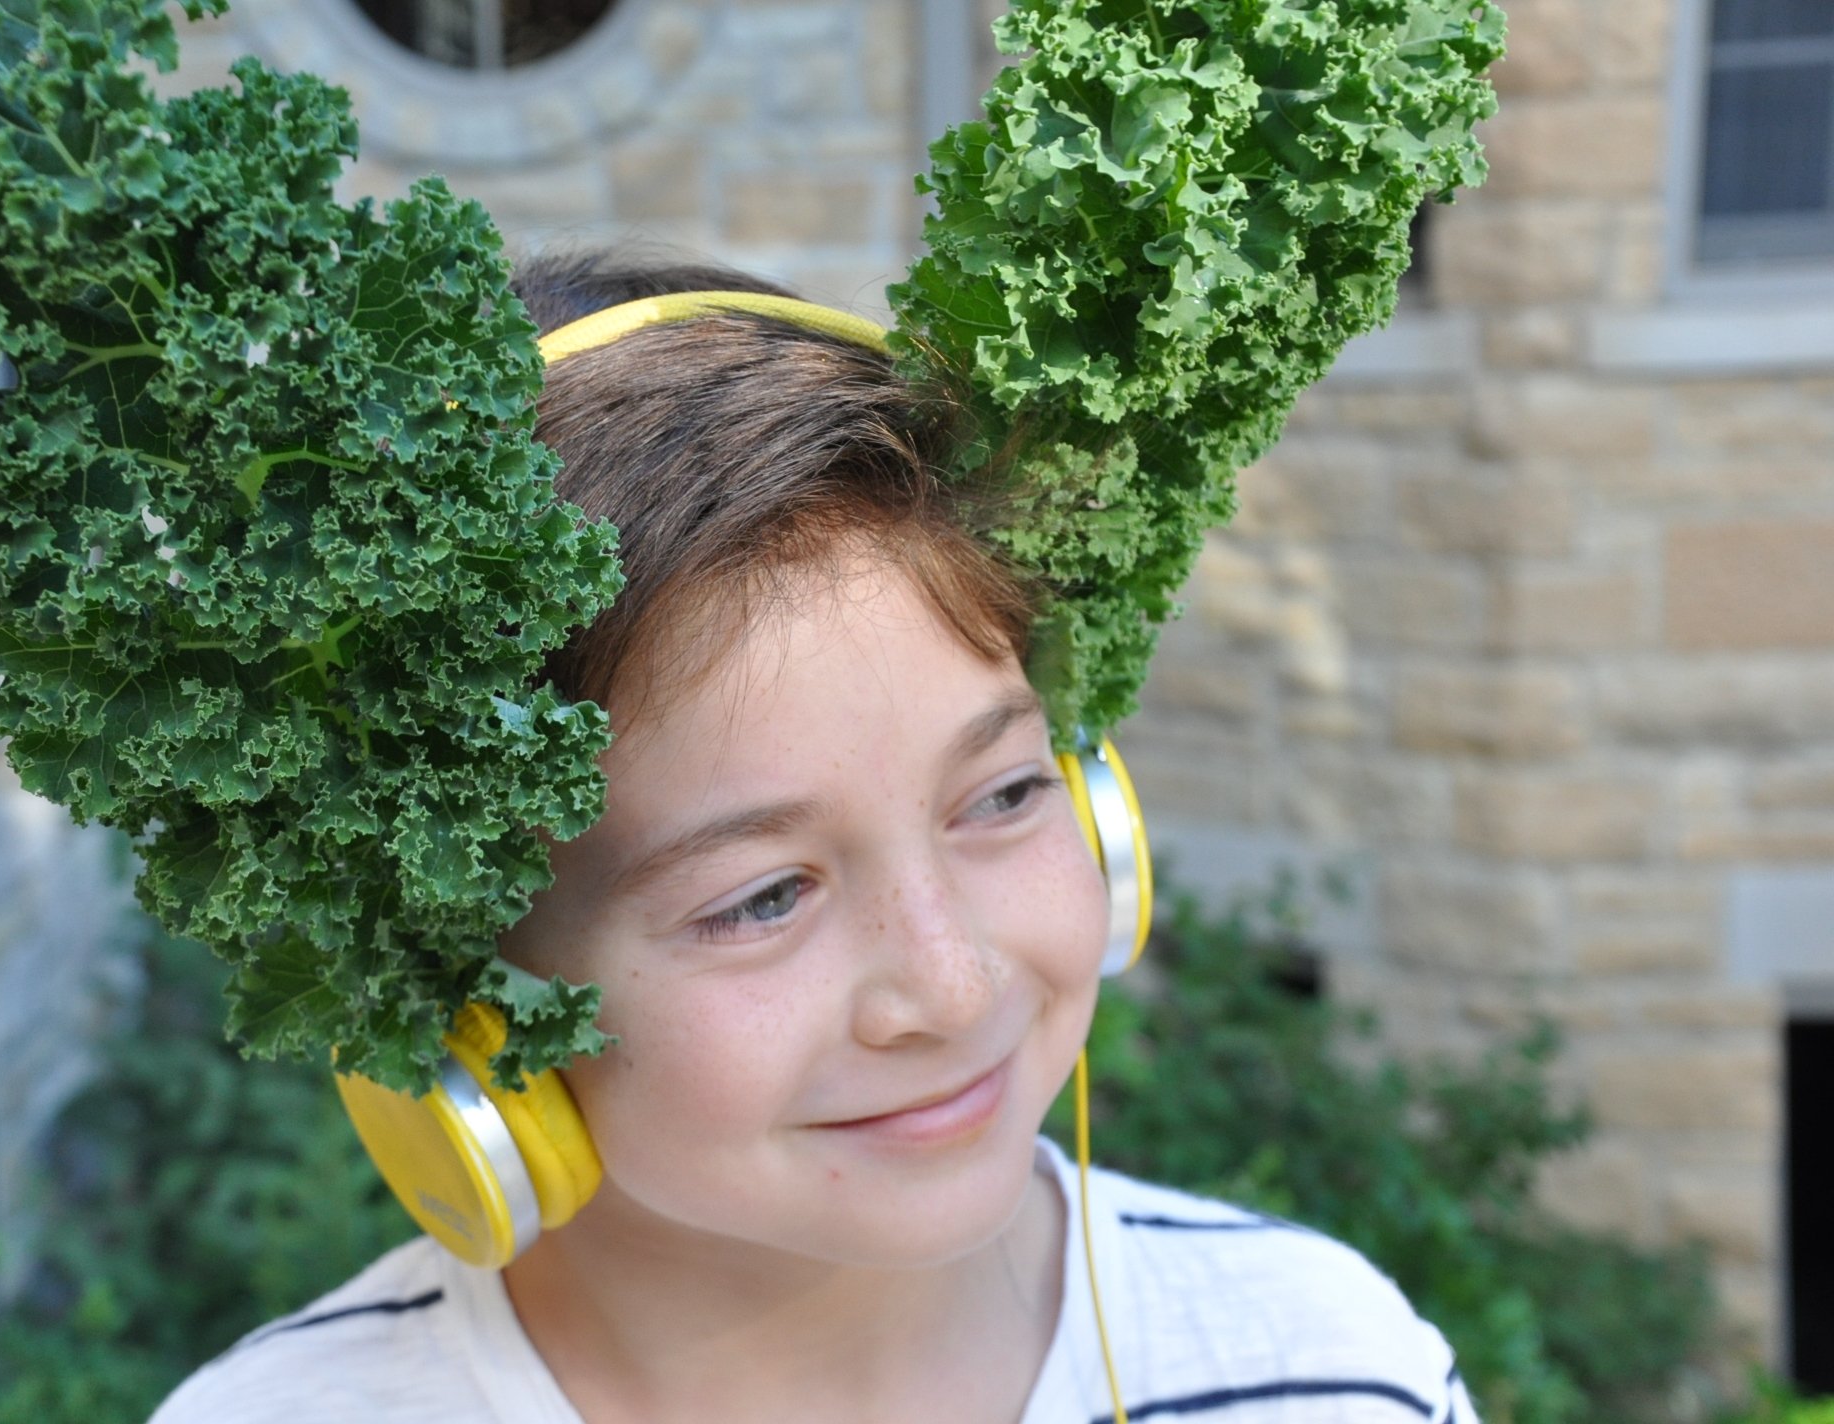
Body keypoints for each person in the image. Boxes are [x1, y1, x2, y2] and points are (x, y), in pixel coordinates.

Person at [146, 253, 1479, 1424]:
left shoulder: (1328, 1370)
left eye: (1005, 795)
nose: (951, 986)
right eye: (764, 897)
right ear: (462, 1014)